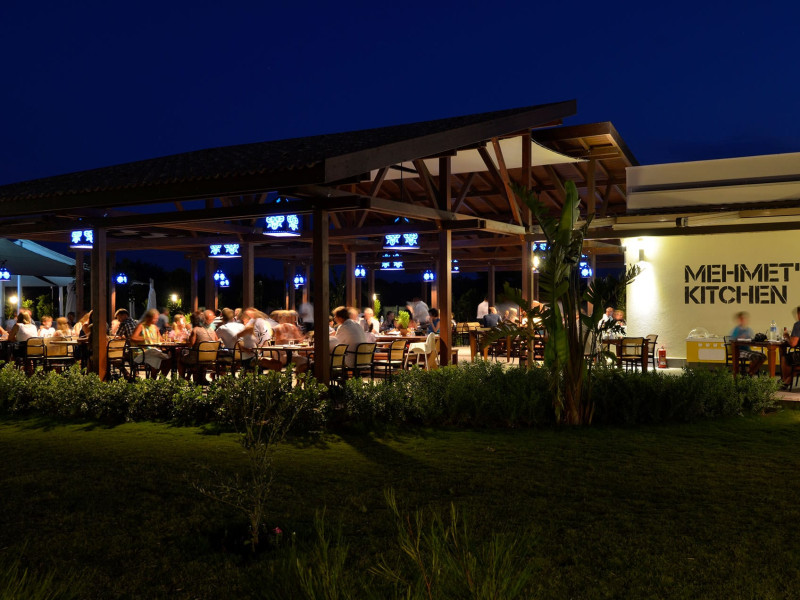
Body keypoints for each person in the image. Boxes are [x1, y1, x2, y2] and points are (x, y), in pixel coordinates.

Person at [131, 308, 171, 378]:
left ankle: (161, 379)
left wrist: (166, 339)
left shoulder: (155, 327)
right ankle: (153, 379)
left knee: (168, 361)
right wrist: (144, 338)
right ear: (148, 317)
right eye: (155, 318)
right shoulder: (141, 326)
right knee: (156, 358)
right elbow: (133, 338)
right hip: (142, 352)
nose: (156, 320)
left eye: (157, 318)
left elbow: (160, 339)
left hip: (154, 351)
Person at [180, 311, 218, 380]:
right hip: (211, 358)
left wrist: (187, 340)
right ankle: (200, 378)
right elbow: (216, 342)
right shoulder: (212, 330)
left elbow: (191, 345)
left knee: (180, 359)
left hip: (197, 358)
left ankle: (181, 379)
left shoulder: (195, 330)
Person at [730, 311, 766, 377]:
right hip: (739, 351)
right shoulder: (736, 329)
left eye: (744, 319)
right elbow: (732, 340)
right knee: (755, 357)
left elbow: (751, 338)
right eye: (741, 319)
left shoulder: (748, 329)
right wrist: (740, 337)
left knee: (763, 356)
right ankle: (749, 372)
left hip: (747, 350)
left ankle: (750, 372)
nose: (743, 320)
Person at [780, 306, 800, 389]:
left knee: (785, 357)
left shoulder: (798, 325)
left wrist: (787, 336)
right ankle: (788, 380)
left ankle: (785, 381)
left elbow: (793, 343)